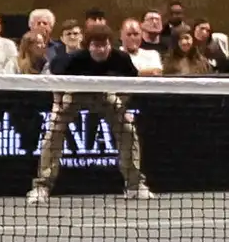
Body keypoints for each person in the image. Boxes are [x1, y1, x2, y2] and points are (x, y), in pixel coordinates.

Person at [27, 14, 153, 201]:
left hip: (105, 94)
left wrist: (124, 107)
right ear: (88, 46)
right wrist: (57, 106)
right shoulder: (71, 60)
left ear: (110, 44)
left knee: (127, 130)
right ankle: (41, 186)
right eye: (96, 45)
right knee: (53, 131)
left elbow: (132, 84)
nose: (101, 49)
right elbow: (55, 82)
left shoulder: (121, 59)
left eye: (105, 45)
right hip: (75, 94)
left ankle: (134, 185)